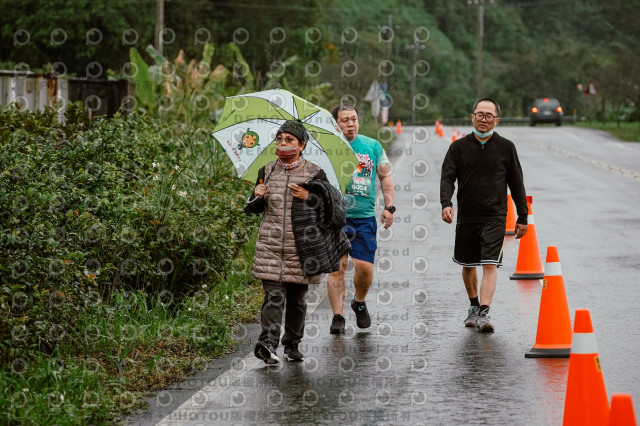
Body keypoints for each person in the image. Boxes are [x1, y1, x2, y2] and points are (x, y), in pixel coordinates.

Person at [246, 120, 350, 364]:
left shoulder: (315, 172)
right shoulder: (266, 170)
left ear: (302, 145)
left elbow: (331, 209)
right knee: (273, 297)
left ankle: (292, 344)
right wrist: (256, 195)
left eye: (289, 140)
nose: (283, 144)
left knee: (296, 300)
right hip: (271, 247)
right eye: (279, 139)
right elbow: (253, 209)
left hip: (303, 248)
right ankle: (268, 343)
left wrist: (309, 195)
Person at [440, 98, 528, 333]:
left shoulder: (506, 147)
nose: (484, 119)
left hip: (495, 216)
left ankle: (484, 313)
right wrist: (446, 203)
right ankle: (473, 306)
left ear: (496, 120)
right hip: (467, 216)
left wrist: (522, 216)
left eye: (489, 116)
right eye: (480, 114)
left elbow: (517, 182)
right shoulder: (458, 148)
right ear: (472, 117)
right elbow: (447, 177)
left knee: (489, 264)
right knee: (468, 264)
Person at [327, 104, 395, 334]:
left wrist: (389, 206)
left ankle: (359, 302)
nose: (350, 124)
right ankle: (337, 316)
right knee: (338, 267)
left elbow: (385, 177)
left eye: (353, 119)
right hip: (334, 219)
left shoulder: (372, 146)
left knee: (364, 267)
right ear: (336, 123)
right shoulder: (327, 147)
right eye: (344, 120)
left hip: (364, 217)